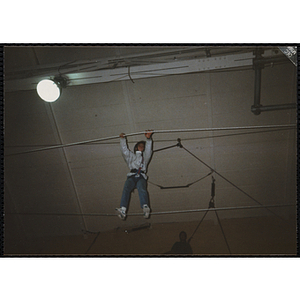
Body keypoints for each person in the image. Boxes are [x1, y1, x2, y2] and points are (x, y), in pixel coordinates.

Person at [116, 130, 153, 220]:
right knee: (126, 188)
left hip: (141, 176)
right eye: (139, 146)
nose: (141, 147)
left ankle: (145, 207)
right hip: (132, 176)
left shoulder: (145, 158)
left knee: (141, 188)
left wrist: (148, 139)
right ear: (136, 147)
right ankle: (123, 209)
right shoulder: (131, 156)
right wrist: (122, 139)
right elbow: (124, 151)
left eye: (142, 146)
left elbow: (148, 151)